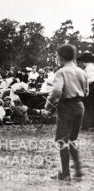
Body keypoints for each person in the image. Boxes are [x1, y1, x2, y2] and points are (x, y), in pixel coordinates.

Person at [45, 44, 88, 181]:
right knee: (72, 140)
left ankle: (65, 173)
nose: (56, 58)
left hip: (67, 107)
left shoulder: (61, 72)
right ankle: (78, 170)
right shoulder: (81, 72)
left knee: (62, 140)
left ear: (61, 57)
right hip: (80, 106)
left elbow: (56, 91)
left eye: (57, 55)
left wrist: (48, 105)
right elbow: (86, 92)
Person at [77, 51, 94, 130]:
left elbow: (90, 80)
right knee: (90, 107)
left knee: (87, 106)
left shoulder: (89, 68)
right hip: (91, 88)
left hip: (91, 88)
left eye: (82, 61)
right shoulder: (91, 67)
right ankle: (89, 124)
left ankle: (86, 125)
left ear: (85, 61)